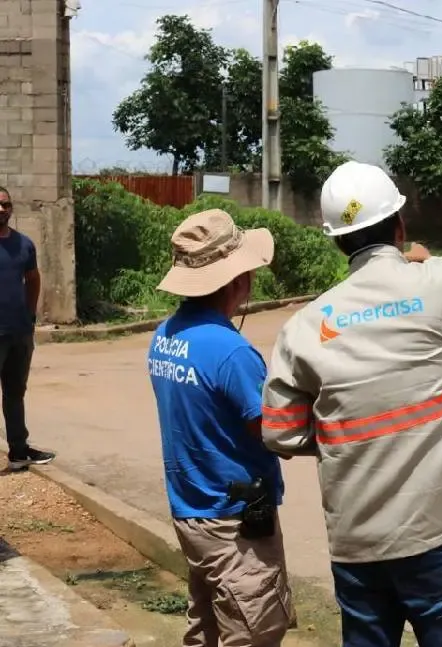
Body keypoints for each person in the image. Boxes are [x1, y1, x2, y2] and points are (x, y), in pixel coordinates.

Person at [261, 161, 442, 647]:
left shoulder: (305, 327)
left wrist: (347, 431)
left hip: (357, 547)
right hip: (437, 540)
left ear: (336, 240)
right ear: (400, 224)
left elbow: (280, 432)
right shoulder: (437, 283)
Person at [148, 209, 296, 647]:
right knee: (253, 630)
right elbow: (273, 433)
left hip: (192, 509)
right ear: (235, 281)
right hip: (234, 522)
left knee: (207, 627)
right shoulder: (231, 352)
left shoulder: (165, 335)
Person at [0, 187, 54, 470]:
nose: (1, 209)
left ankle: (19, 450)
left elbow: (33, 279)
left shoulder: (24, 245)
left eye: (5, 204)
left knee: (14, 392)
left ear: (11, 208)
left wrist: (30, 316)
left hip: (19, 332)